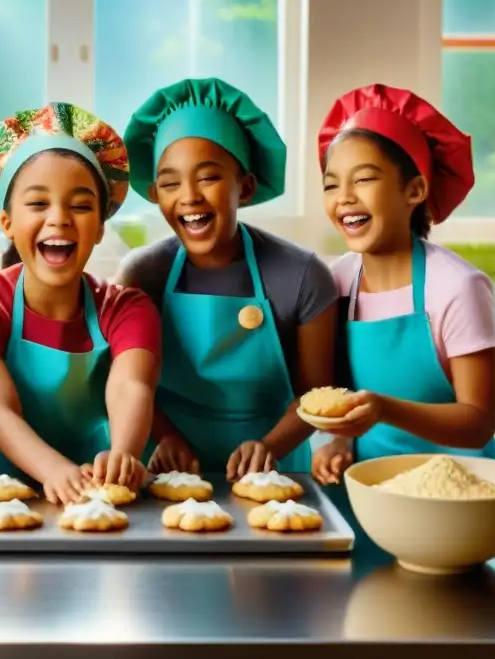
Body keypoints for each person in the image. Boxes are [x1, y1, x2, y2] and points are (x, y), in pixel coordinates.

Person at [116, 78, 337, 478]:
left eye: (208, 177)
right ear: (155, 193)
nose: (189, 196)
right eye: (169, 183)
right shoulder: (142, 274)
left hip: (272, 475)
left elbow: (315, 395)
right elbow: (123, 379)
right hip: (161, 472)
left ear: (246, 186)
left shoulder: (302, 275)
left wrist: (270, 447)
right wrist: (164, 436)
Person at [0, 103, 162, 504]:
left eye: (81, 205)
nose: (59, 219)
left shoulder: (128, 309)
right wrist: (53, 471)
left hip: (95, 485)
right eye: (37, 203)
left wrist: (123, 454)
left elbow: (131, 386)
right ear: (7, 221)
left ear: (101, 226)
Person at [311, 84, 495, 485]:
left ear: (414, 190)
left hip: (457, 487)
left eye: (364, 179)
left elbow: (477, 422)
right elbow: (343, 398)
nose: (344, 198)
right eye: (331, 185)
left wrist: (385, 409)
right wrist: (339, 443)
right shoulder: (336, 281)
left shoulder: (457, 287)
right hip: (368, 487)